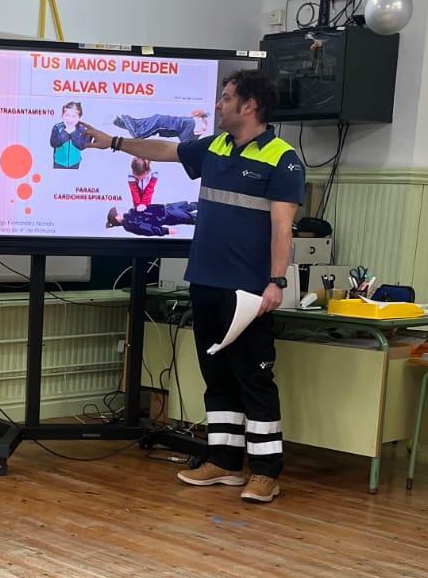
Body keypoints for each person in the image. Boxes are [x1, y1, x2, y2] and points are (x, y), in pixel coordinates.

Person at [85, 70, 304, 504]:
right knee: (216, 375)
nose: (218, 105)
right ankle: (223, 462)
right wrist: (113, 142)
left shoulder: (283, 158)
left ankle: (265, 472)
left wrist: (276, 282)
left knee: (254, 378)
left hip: (248, 291)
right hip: (206, 281)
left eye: (225, 98)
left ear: (250, 106)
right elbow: (164, 149)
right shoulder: (216, 147)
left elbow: (283, 228)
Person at [111, 106, 208, 143]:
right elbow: (185, 143)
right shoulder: (191, 123)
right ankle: (125, 117)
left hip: (158, 120)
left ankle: (117, 121)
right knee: (137, 134)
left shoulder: (189, 123)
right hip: (160, 123)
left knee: (136, 125)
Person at [49, 101, 88, 169]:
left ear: (79, 117)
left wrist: (73, 133)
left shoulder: (82, 129)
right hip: (59, 163)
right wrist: (65, 133)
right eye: (67, 115)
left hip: (75, 163)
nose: (70, 119)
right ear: (62, 116)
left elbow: (82, 146)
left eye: (74, 116)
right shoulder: (57, 127)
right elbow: (53, 144)